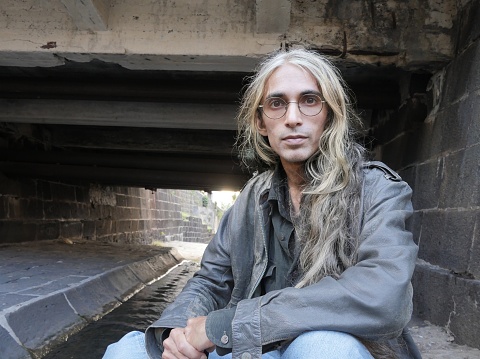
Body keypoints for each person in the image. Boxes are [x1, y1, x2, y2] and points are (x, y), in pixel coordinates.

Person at [103, 48, 421, 359]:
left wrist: (225, 326)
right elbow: (211, 282)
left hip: (340, 348)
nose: (293, 118)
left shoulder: (377, 189)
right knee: (125, 350)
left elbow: (384, 298)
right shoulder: (252, 199)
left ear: (330, 114)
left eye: (309, 101)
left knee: (323, 347)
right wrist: (178, 334)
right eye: (277, 104)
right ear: (260, 122)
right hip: (253, 350)